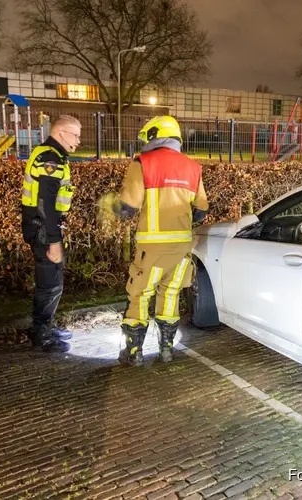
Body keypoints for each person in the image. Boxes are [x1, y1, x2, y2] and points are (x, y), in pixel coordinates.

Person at [105, 115, 209, 366]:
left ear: (155, 134)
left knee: (140, 295)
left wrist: (109, 205)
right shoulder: (193, 168)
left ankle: (134, 353)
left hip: (151, 249)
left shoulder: (143, 163)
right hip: (182, 247)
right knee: (171, 293)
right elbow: (201, 209)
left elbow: (128, 207)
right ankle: (166, 350)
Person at [20, 114, 81, 353]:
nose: (78, 140)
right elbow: (46, 203)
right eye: (75, 134)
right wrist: (54, 240)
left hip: (42, 226)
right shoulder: (51, 159)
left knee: (52, 281)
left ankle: (45, 325)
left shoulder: (50, 155)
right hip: (44, 229)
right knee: (49, 283)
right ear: (60, 133)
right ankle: (41, 333)